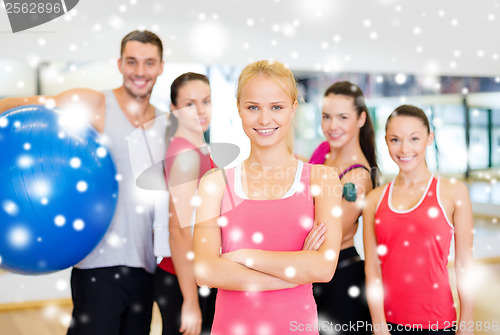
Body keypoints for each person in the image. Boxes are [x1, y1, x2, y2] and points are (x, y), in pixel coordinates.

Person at [0, 30, 166, 335]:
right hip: (96, 266)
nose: (140, 72)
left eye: (148, 63)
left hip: (145, 267)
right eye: (132, 62)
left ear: (160, 67)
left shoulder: (167, 124)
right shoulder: (94, 103)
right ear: (119, 64)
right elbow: (11, 104)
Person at [192, 60, 343, 335]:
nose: (264, 120)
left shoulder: (323, 179)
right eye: (253, 108)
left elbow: (323, 268)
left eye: (277, 107)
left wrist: (243, 257)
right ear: (239, 109)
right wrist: (292, 275)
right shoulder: (214, 184)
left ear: (293, 109)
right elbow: (205, 271)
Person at [363, 105, 474, 335]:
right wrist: (378, 323)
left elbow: (464, 263)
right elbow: (372, 267)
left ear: (429, 138)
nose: (404, 149)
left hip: (438, 321)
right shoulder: (375, 199)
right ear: (386, 141)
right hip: (389, 323)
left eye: (414, 138)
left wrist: (467, 322)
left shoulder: (453, 192)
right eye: (395, 140)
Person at [309, 81, 377, 334]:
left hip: (340, 278)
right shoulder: (322, 153)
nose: (332, 126)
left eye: (342, 117)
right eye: (326, 116)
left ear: (361, 118)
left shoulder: (358, 177)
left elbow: (328, 237)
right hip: (313, 274)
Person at [154, 72, 216, 335]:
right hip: (183, 280)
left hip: (194, 274)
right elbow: (178, 230)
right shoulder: (185, 156)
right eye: (190, 104)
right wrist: (190, 300)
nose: (200, 110)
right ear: (174, 110)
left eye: (206, 101)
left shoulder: (197, 147)